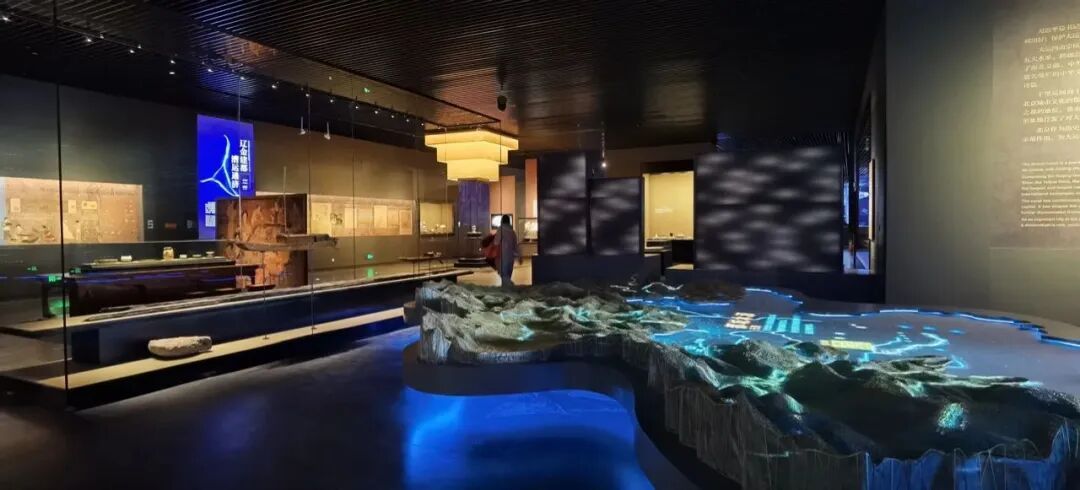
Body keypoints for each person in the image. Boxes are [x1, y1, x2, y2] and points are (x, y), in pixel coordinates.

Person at [492, 214, 521, 288]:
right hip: (511, 256)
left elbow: (496, 242)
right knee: (508, 273)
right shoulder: (512, 231)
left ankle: (508, 286)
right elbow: (516, 246)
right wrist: (519, 256)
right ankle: (508, 288)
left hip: (502, 255)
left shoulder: (500, 230)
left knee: (504, 274)